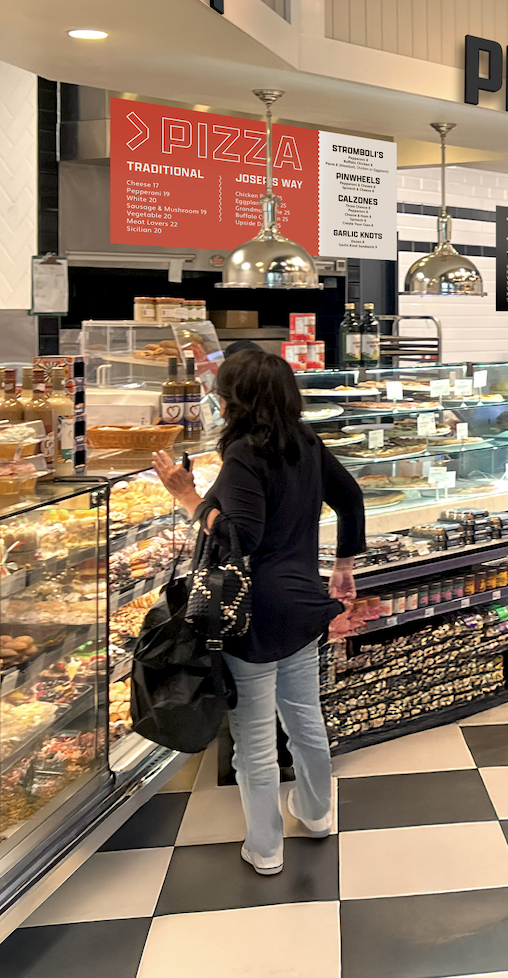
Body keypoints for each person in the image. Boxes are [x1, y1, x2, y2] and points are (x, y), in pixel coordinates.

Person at [152, 348, 373, 876]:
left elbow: (240, 537)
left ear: (235, 402)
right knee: (305, 719)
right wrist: (343, 566)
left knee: (253, 735)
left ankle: (266, 847)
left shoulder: (245, 455)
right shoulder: (307, 442)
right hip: (302, 605)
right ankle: (317, 816)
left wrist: (188, 498)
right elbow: (352, 499)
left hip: (252, 611)